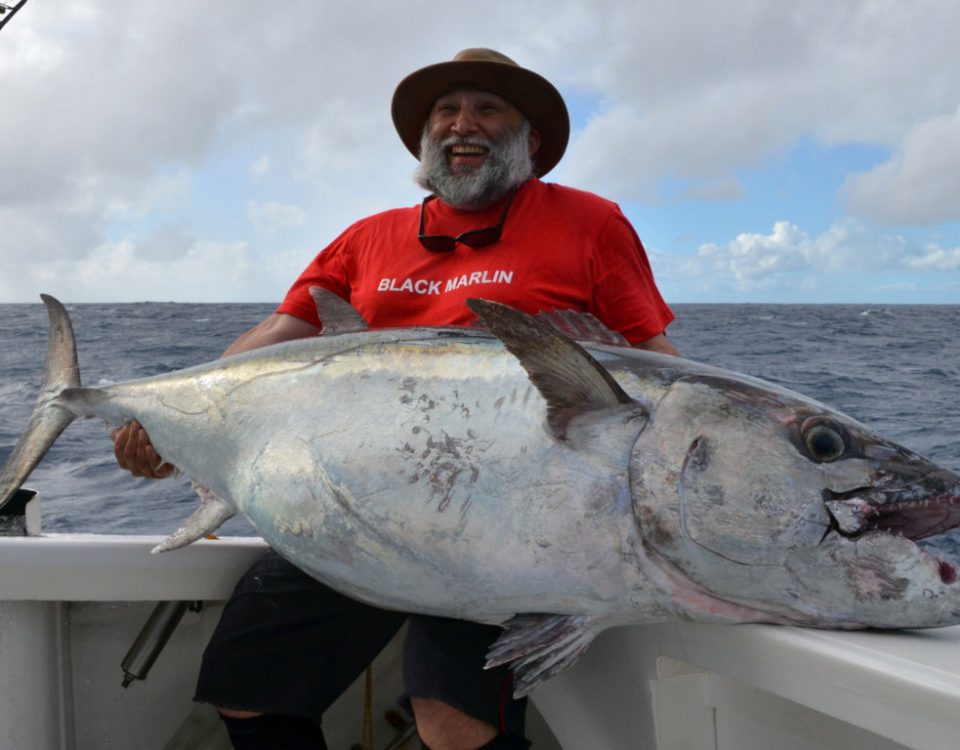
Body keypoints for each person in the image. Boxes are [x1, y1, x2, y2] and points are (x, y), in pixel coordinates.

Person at [113, 48, 678, 750]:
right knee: (245, 692)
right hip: (352, 514)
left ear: (531, 140)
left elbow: (653, 362)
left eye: (487, 108)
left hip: (506, 527)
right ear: (424, 138)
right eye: (446, 111)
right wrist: (176, 426)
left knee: (453, 723)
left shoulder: (591, 224)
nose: (461, 124)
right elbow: (279, 335)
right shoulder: (368, 238)